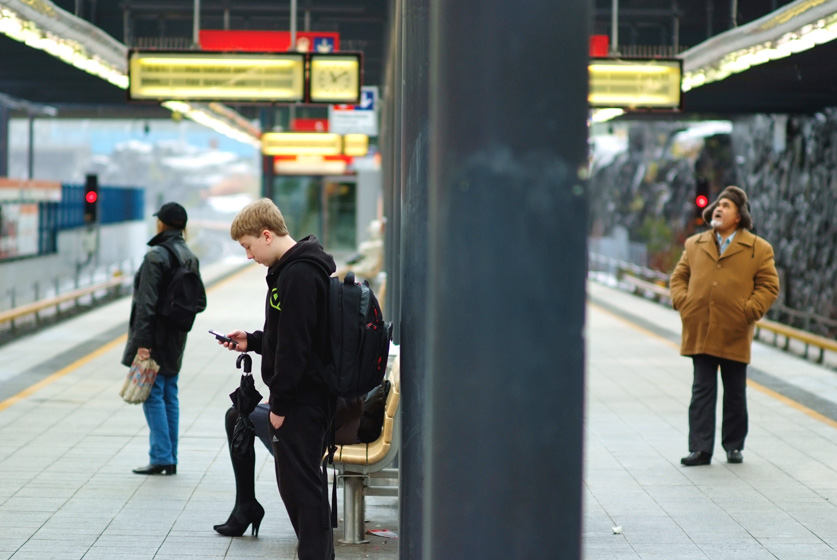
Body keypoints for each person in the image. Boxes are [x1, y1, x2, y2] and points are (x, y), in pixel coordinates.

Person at [219, 198, 337, 558]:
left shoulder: (298, 274)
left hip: (304, 399)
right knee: (297, 486)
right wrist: (252, 341)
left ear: (266, 235)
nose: (248, 255)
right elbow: (289, 334)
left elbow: (296, 346)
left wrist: (280, 406)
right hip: (303, 395)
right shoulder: (293, 270)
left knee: (303, 488)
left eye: (248, 246)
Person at [670, 186, 779, 466]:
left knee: (735, 392)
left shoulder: (759, 248)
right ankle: (700, 448)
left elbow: (769, 286)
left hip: (735, 330)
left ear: (739, 217)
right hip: (701, 329)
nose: (719, 208)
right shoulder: (695, 245)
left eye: (727, 206)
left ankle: (734, 445)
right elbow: (678, 277)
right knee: (702, 391)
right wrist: (685, 302)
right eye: (718, 205)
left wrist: (750, 311)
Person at [122, 202, 204, 476]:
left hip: (154, 337)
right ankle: (169, 457)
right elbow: (199, 302)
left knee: (153, 395)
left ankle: (161, 457)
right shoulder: (189, 255)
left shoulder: (156, 256)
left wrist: (142, 343)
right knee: (169, 394)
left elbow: (146, 304)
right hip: (176, 336)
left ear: (162, 224)